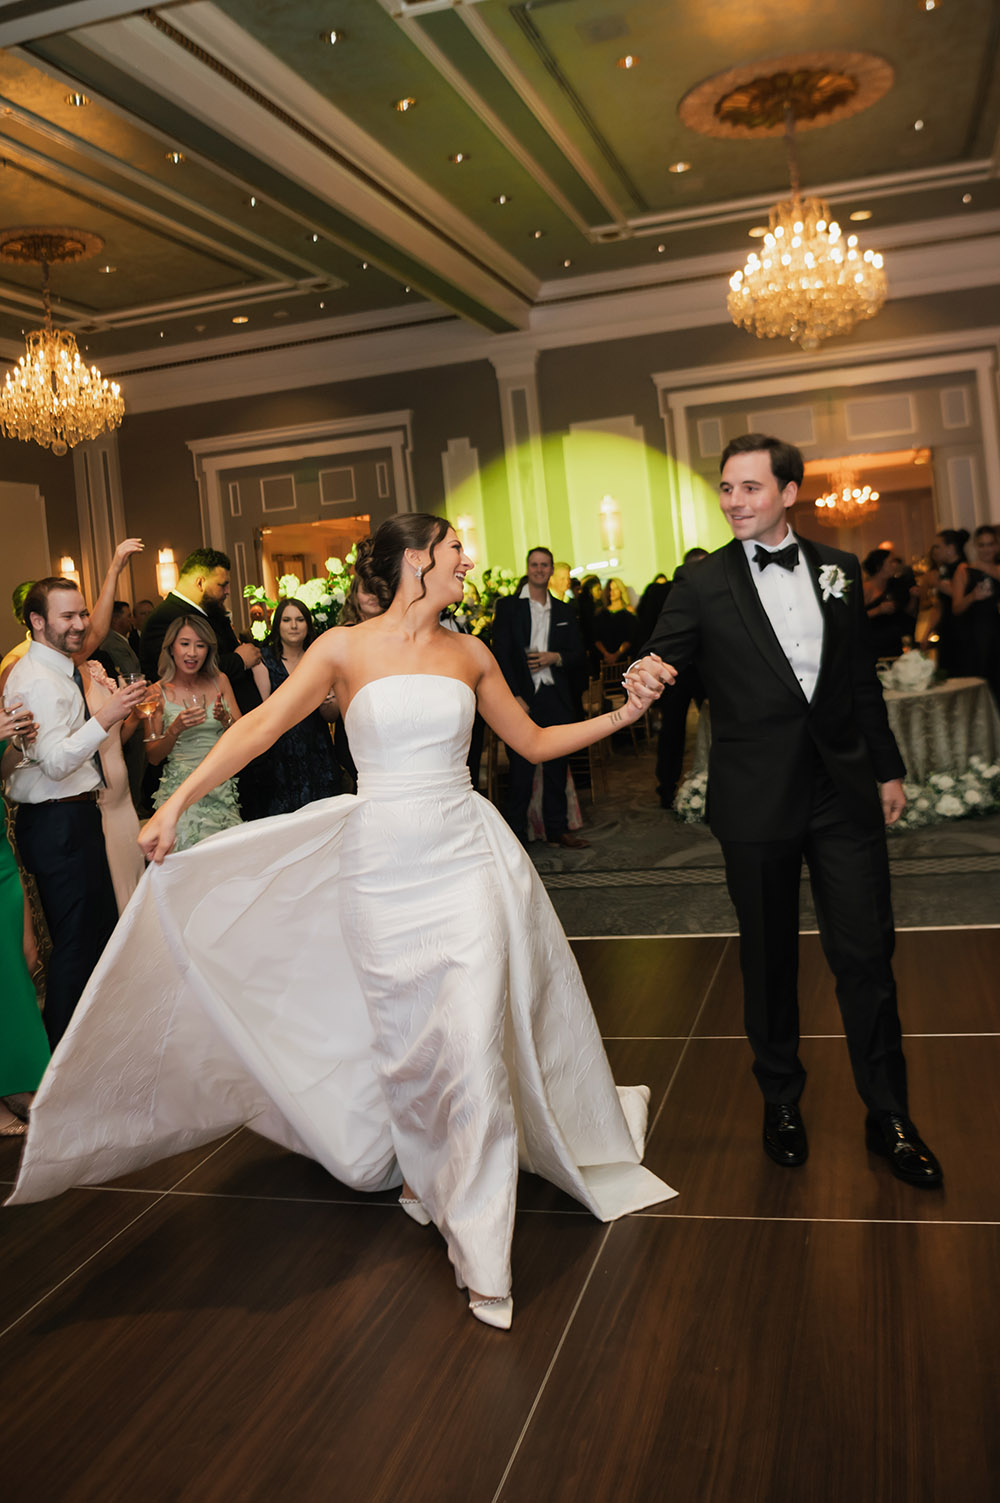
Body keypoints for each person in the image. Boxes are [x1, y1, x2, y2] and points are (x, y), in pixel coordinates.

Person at [10, 514, 673, 1331]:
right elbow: (257, 727)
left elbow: (533, 742)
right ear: (413, 564)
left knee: (467, 1037)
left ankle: (483, 1250)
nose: (468, 561)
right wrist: (177, 801)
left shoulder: (471, 654)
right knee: (406, 1040)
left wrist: (622, 713)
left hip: (464, 858)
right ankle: (422, 1168)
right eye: (455, 551)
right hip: (380, 867)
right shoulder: (341, 649)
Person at [630, 433, 942, 1189]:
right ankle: (781, 1101)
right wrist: (645, 670)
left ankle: (890, 1114)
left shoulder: (838, 570)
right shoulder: (703, 582)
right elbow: (661, 654)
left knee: (866, 953)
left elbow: (858, 684)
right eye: (727, 488)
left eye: (750, 488)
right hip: (757, 798)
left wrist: (888, 770)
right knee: (768, 958)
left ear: (789, 493)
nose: (734, 501)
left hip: (842, 790)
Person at [3, 577, 149, 1046]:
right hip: (57, 819)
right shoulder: (37, 679)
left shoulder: (60, 670)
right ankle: (60, 1061)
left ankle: (87, 1050)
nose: (80, 624)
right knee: (75, 945)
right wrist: (106, 717)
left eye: (82, 614)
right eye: (68, 616)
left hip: (74, 816)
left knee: (94, 935)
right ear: (37, 621)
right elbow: (56, 760)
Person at [491, 546, 590, 849]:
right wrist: (514, 696)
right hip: (522, 699)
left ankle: (557, 829)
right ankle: (517, 834)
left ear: (551, 570)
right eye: (534, 565)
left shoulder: (562, 610)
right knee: (521, 769)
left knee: (557, 768)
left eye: (544, 565)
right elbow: (500, 656)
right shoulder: (509, 607)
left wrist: (554, 657)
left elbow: (578, 656)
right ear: (527, 568)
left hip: (555, 697)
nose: (539, 569)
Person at [145, 615, 242, 850]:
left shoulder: (221, 681)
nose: (192, 653)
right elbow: (153, 756)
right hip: (181, 793)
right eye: (185, 644)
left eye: (200, 645)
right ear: (171, 648)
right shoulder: (156, 693)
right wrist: (175, 729)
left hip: (219, 787)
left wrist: (225, 718)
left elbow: (243, 735)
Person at [0, 707, 49, 1137]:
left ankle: (21, 1082)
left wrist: (19, 746)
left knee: (17, 965)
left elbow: (4, 771)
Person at [246, 597, 340, 817]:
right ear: (277, 624)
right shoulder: (264, 661)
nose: (294, 625)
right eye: (287, 620)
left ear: (308, 625)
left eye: (300, 619)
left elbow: (332, 716)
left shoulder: (320, 659)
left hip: (318, 750)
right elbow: (265, 713)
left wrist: (326, 703)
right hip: (280, 755)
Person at [138, 548, 261, 715]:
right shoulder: (164, 618)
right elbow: (179, 669)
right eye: (222, 585)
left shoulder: (211, 612)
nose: (228, 591)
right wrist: (239, 660)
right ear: (200, 583)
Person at [82, 657, 145, 913]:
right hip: (99, 801)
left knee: (134, 887)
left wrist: (135, 718)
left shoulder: (95, 669)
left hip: (123, 797)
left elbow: (115, 737)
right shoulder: (61, 679)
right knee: (115, 894)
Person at [650, 550, 708, 810]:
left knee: (720, 728)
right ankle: (666, 787)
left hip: (709, 673)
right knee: (672, 731)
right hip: (677, 673)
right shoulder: (671, 595)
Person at [952, 524, 1000, 706]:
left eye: (990, 544)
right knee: (981, 680)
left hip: (997, 629)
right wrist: (973, 596)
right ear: (975, 546)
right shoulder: (964, 570)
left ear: (997, 546)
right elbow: (956, 608)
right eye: (982, 545)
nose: (986, 549)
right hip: (976, 634)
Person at [593, 578, 639, 668]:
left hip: (625, 661)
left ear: (621, 590)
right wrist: (606, 654)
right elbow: (595, 637)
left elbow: (631, 637)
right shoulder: (600, 613)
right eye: (609, 589)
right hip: (603, 661)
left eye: (615, 589)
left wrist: (617, 655)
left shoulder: (629, 613)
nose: (612, 592)